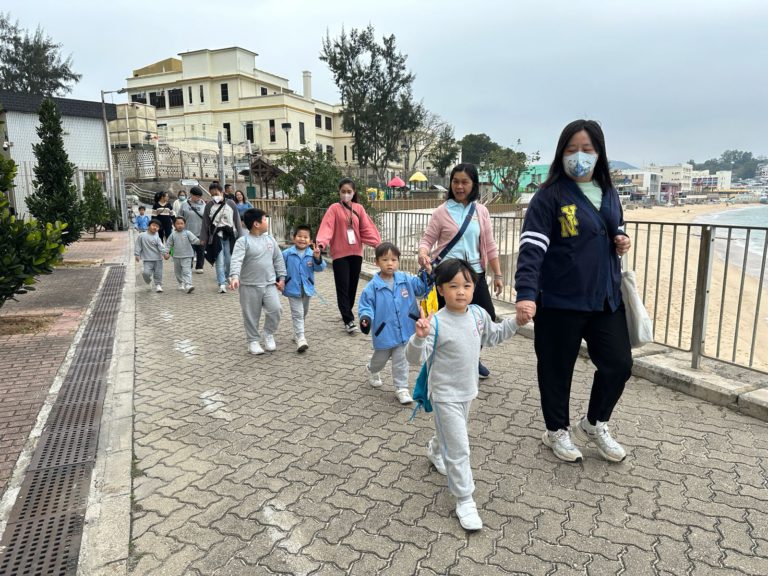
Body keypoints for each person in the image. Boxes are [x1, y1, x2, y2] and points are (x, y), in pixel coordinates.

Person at [514, 119, 633, 464]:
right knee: (556, 369)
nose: (579, 156)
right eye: (571, 149)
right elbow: (532, 248)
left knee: (619, 364)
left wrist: (621, 239)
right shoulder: (549, 196)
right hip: (559, 300)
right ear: (561, 153)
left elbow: (615, 226)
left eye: (587, 149)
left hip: (605, 298)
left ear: (599, 153)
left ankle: (594, 423)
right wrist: (525, 293)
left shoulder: (609, 192)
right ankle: (556, 430)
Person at [406, 259, 518, 531]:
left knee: (449, 435)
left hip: (468, 392)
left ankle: (435, 449)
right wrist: (418, 337)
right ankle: (465, 499)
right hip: (444, 395)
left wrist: (518, 320)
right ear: (441, 289)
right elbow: (414, 358)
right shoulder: (435, 323)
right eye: (453, 286)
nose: (460, 292)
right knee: (459, 448)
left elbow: (493, 336)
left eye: (466, 286)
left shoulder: (478, 315)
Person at [417, 163, 503, 380]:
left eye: (465, 182)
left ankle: (471, 358)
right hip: (447, 276)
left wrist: (498, 274)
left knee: (487, 315)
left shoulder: (481, 211)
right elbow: (427, 240)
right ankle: (444, 362)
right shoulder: (441, 211)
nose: (459, 186)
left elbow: (490, 245)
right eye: (455, 181)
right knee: (445, 321)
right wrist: (423, 252)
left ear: (474, 184)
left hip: (475, 275)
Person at [358, 242, 428, 404]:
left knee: (401, 360)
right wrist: (365, 318)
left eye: (394, 260)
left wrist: (427, 272)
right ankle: (372, 369)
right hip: (384, 333)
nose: (390, 263)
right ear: (376, 262)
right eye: (385, 260)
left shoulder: (406, 279)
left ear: (398, 261)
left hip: (405, 329)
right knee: (379, 360)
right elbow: (366, 306)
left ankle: (401, 388)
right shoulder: (372, 288)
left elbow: (421, 288)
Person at [316, 178, 381, 334]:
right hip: (340, 254)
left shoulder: (359, 208)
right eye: (343, 191)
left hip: (356, 253)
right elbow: (327, 227)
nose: (346, 194)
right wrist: (321, 244)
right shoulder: (334, 209)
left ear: (354, 192)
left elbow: (367, 228)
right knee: (343, 287)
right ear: (339, 192)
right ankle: (348, 319)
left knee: (352, 286)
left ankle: (346, 311)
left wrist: (377, 244)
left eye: (349, 191)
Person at [229, 208, 287, 355]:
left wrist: (282, 278)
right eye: (265, 219)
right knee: (251, 315)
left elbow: (278, 259)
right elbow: (236, 260)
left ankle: (268, 333)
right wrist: (234, 277)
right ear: (256, 224)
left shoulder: (270, 240)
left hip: (269, 284)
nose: (267, 222)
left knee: (276, 309)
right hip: (249, 285)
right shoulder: (243, 241)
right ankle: (253, 341)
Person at [281, 225, 326, 353]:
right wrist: (280, 281)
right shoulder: (286, 254)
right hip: (292, 288)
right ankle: (301, 338)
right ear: (293, 238)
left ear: (310, 241)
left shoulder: (312, 254)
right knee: (298, 313)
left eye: (305, 237)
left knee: (304, 312)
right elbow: (280, 269)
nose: (302, 239)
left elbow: (320, 268)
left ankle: (296, 333)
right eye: (299, 236)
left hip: (307, 289)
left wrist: (317, 258)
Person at [200, 182, 243, 293]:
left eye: (216, 194)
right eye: (212, 194)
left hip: (229, 236)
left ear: (222, 192)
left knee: (229, 260)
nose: (214, 196)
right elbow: (205, 223)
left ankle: (227, 276)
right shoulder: (209, 205)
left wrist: (241, 235)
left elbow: (237, 220)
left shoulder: (231, 203)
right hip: (215, 236)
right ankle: (221, 283)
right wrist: (203, 238)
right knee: (219, 261)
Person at [166, 216, 200, 293]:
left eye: (182, 223)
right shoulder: (172, 235)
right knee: (177, 272)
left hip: (187, 255)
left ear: (184, 224)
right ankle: (181, 283)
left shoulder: (188, 233)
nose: (180, 225)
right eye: (178, 224)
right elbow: (169, 245)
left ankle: (188, 285)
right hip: (176, 256)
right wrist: (167, 253)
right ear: (174, 225)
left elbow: (195, 240)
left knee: (186, 271)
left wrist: (201, 241)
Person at [134, 219, 169, 292]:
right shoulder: (142, 235)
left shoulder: (157, 238)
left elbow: (161, 247)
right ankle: (148, 281)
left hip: (158, 259)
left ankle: (158, 285)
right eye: (153, 225)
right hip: (147, 259)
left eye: (157, 227)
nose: (155, 227)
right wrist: (137, 254)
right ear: (149, 226)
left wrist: (165, 254)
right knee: (146, 273)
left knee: (158, 273)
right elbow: (138, 245)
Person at [180, 187, 207, 274]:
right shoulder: (184, 205)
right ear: (191, 194)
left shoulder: (204, 205)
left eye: (199, 196)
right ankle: (189, 266)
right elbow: (179, 218)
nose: (198, 198)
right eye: (196, 196)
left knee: (201, 251)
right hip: (188, 232)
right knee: (189, 251)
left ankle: (199, 266)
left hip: (201, 232)